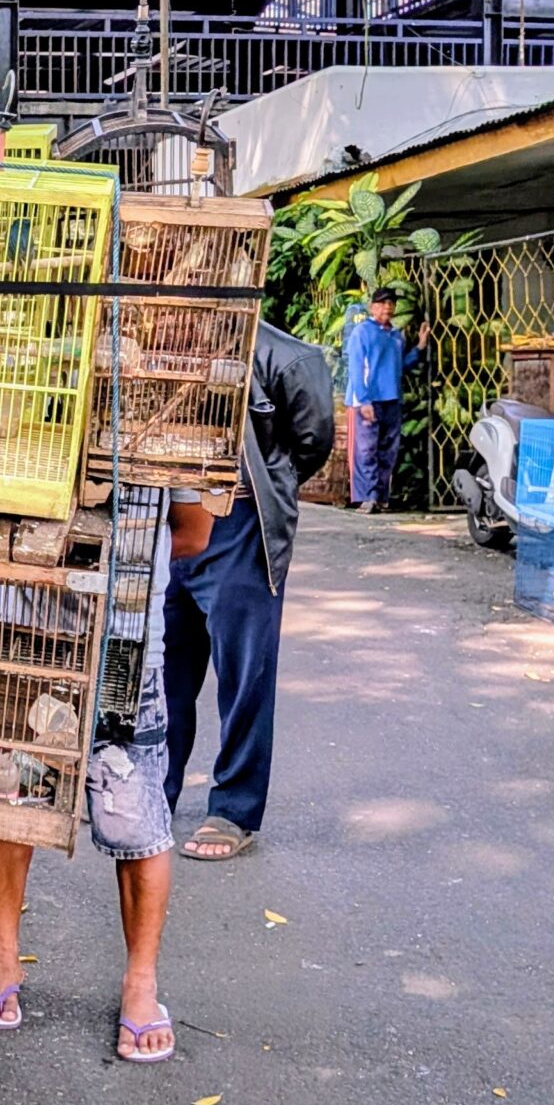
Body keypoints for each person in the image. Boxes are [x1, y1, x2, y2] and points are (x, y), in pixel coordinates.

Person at [0, 494, 206, 1066]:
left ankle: (141, 984)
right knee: (11, 795)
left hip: (124, 645)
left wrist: (119, 564)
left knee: (137, 824)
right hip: (25, 631)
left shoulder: (173, 445)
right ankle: (3, 959)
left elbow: (193, 533)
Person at [162, 319, 335, 861]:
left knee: (244, 675)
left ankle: (234, 808)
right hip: (165, 520)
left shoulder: (285, 358)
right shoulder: (153, 340)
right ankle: (153, 791)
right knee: (161, 670)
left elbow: (311, 444)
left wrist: (266, 487)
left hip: (239, 525)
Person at [346, 287, 428, 512]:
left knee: (388, 451)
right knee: (366, 450)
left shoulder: (396, 335)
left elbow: (401, 366)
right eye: (382, 303)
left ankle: (380, 498)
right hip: (368, 400)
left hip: (392, 400)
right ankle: (367, 497)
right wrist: (364, 400)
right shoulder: (362, 332)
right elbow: (355, 367)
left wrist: (420, 347)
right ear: (372, 307)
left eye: (391, 303)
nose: (387, 307)